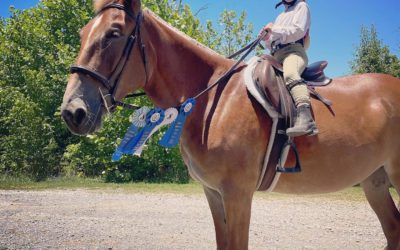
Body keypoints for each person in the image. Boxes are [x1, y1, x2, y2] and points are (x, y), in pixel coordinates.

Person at [260, 0, 318, 137]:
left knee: (291, 73)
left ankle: (306, 119)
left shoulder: (302, 7)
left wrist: (273, 29)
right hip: (275, 55)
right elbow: (271, 42)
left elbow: (298, 31)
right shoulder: (280, 17)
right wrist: (266, 37)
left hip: (294, 52)